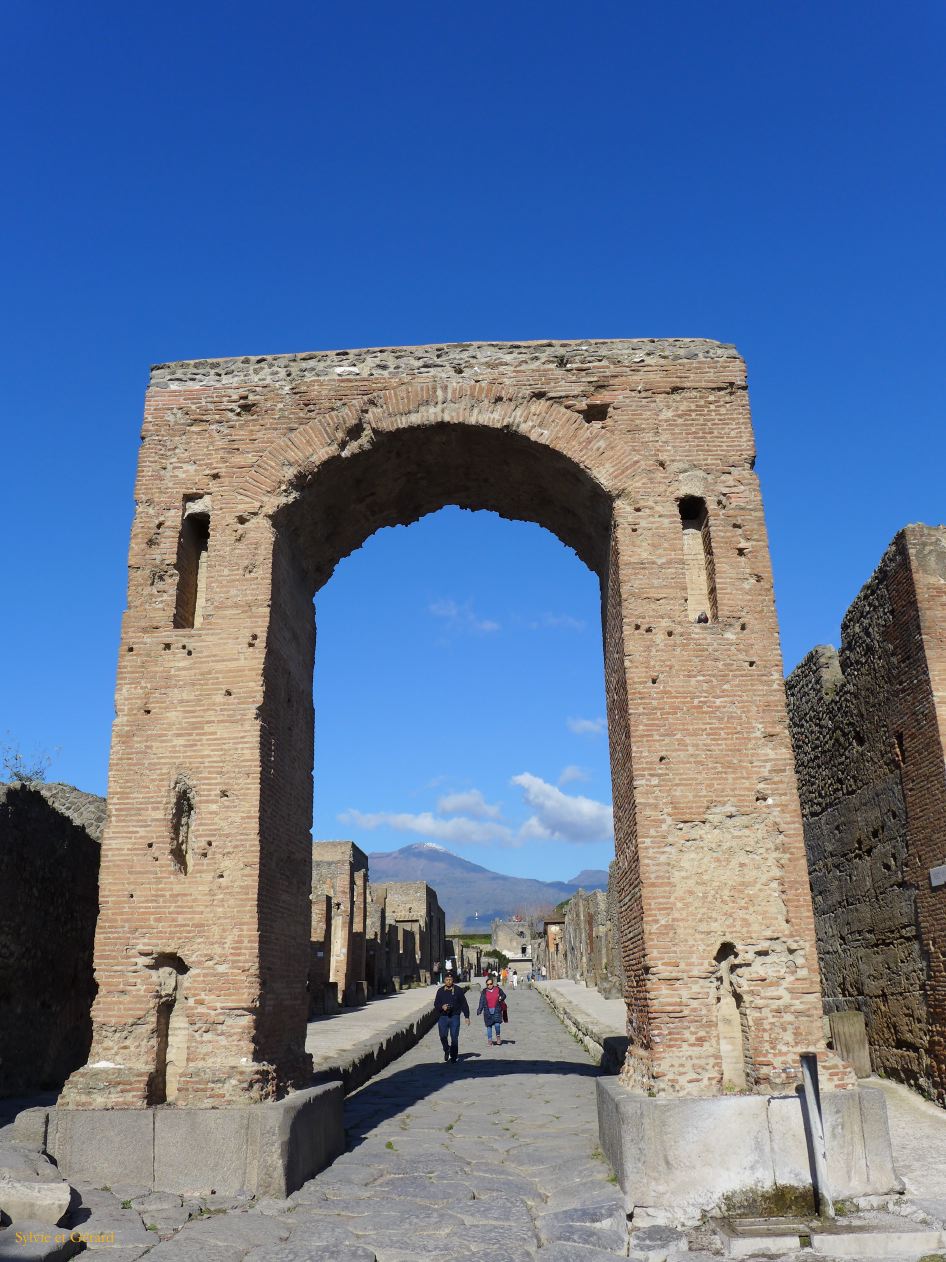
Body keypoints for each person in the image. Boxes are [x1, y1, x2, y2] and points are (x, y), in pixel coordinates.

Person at [432, 972, 470, 1064]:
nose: (448, 981)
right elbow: (436, 1004)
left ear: (453, 980)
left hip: (455, 1017)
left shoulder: (458, 990)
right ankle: (446, 1049)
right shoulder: (440, 991)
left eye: (450, 980)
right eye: (447, 980)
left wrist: (467, 1016)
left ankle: (454, 1056)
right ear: (444, 980)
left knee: (454, 1037)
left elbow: (463, 1003)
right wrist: (442, 1007)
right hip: (443, 1017)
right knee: (442, 1036)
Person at [477, 973, 507, 1047]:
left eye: (490, 984)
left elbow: (504, 995)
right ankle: (490, 1040)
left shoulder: (498, 989)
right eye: (488, 984)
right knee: (489, 1026)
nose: (489, 985)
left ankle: (498, 1037)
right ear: (486, 985)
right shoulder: (484, 992)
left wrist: (501, 998)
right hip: (487, 1011)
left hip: (497, 1009)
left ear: (492, 983)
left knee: (497, 1024)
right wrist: (479, 1010)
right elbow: (481, 1001)